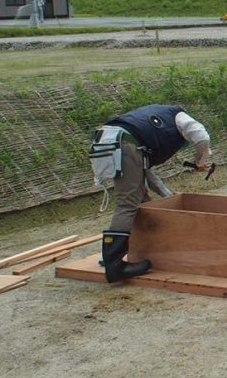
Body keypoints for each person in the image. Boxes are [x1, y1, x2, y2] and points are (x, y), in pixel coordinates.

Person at [90, 104, 211, 282]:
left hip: (108, 140)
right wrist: (201, 161)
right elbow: (202, 136)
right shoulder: (180, 116)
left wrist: (170, 198)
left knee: (142, 200)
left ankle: (135, 252)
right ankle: (114, 265)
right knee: (128, 203)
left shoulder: (144, 132)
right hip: (122, 143)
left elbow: (149, 175)